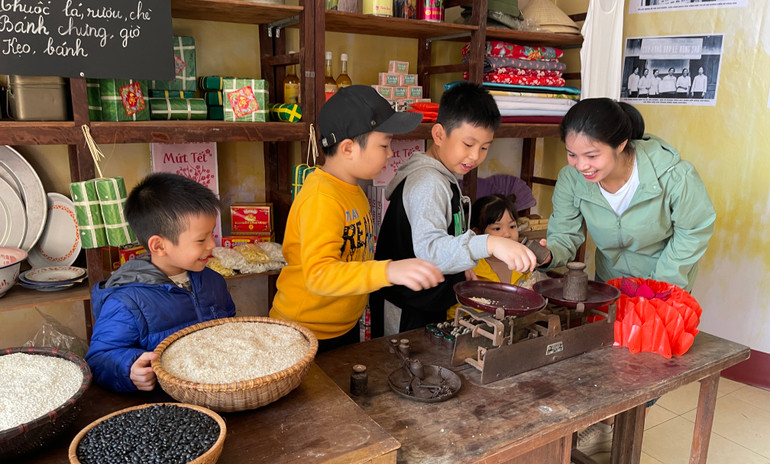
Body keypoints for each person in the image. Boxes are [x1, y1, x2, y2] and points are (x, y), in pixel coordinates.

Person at [543, 98, 716, 456]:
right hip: (610, 282)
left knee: (646, 368)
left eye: (591, 155)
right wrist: (544, 254)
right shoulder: (572, 180)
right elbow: (565, 236)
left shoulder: (673, 175)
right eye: (572, 155)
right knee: (606, 358)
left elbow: (695, 229)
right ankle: (605, 427)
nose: (580, 166)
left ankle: (617, 432)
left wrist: (659, 287)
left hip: (664, 283)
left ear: (621, 145)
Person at [269, 85, 443, 352]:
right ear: (348, 148)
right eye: (384, 144)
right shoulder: (322, 198)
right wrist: (388, 270)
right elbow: (320, 275)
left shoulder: (353, 189)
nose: (390, 153)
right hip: (303, 333)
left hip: (342, 327)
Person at [371, 81, 538, 336]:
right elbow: (429, 249)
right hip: (406, 308)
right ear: (439, 135)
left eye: (484, 147)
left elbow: (446, 235)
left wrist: (460, 267)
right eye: (468, 144)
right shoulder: (428, 182)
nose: (475, 156)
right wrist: (490, 243)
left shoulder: (443, 175)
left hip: (428, 300)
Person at [86, 173, 236, 393]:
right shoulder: (126, 302)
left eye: (212, 234)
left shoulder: (213, 281)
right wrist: (131, 368)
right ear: (158, 246)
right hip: (166, 403)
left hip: (218, 391)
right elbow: (100, 358)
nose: (212, 245)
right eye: (201, 239)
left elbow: (230, 324)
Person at [447, 193, 547, 319]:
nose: (507, 234)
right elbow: (456, 311)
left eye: (512, 226)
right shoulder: (470, 268)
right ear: (478, 233)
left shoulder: (523, 263)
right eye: (497, 228)